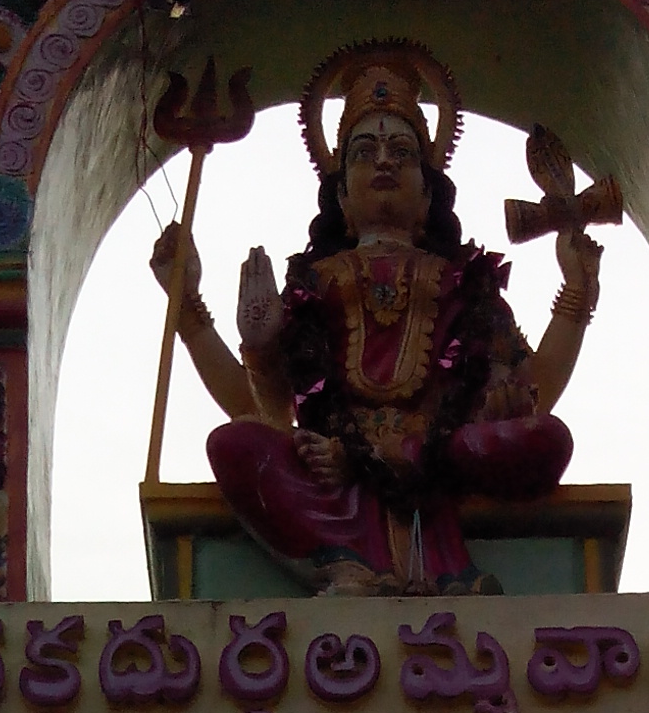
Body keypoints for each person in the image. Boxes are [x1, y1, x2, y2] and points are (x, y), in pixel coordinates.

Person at [149, 40, 607, 594]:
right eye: (365, 153)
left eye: (402, 153)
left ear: (426, 196)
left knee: (547, 439)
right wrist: (204, 314)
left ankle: (391, 476)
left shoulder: (462, 282)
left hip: (438, 459)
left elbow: (533, 390)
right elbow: (261, 410)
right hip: (328, 469)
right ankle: (348, 561)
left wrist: (577, 291)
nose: (385, 161)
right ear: (340, 196)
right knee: (235, 445)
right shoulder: (315, 285)